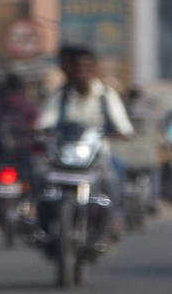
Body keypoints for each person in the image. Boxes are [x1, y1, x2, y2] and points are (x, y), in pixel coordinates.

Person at [37, 45, 133, 228]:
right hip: (64, 155)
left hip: (96, 155)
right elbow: (45, 121)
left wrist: (119, 133)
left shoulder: (106, 95)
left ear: (94, 69)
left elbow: (123, 125)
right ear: (70, 69)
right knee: (40, 174)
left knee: (113, 177)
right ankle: (41, 221)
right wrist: (42, 130)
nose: (82, 72)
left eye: (86, 67)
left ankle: (114, 219)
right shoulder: (60, 95)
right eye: (78, 67)